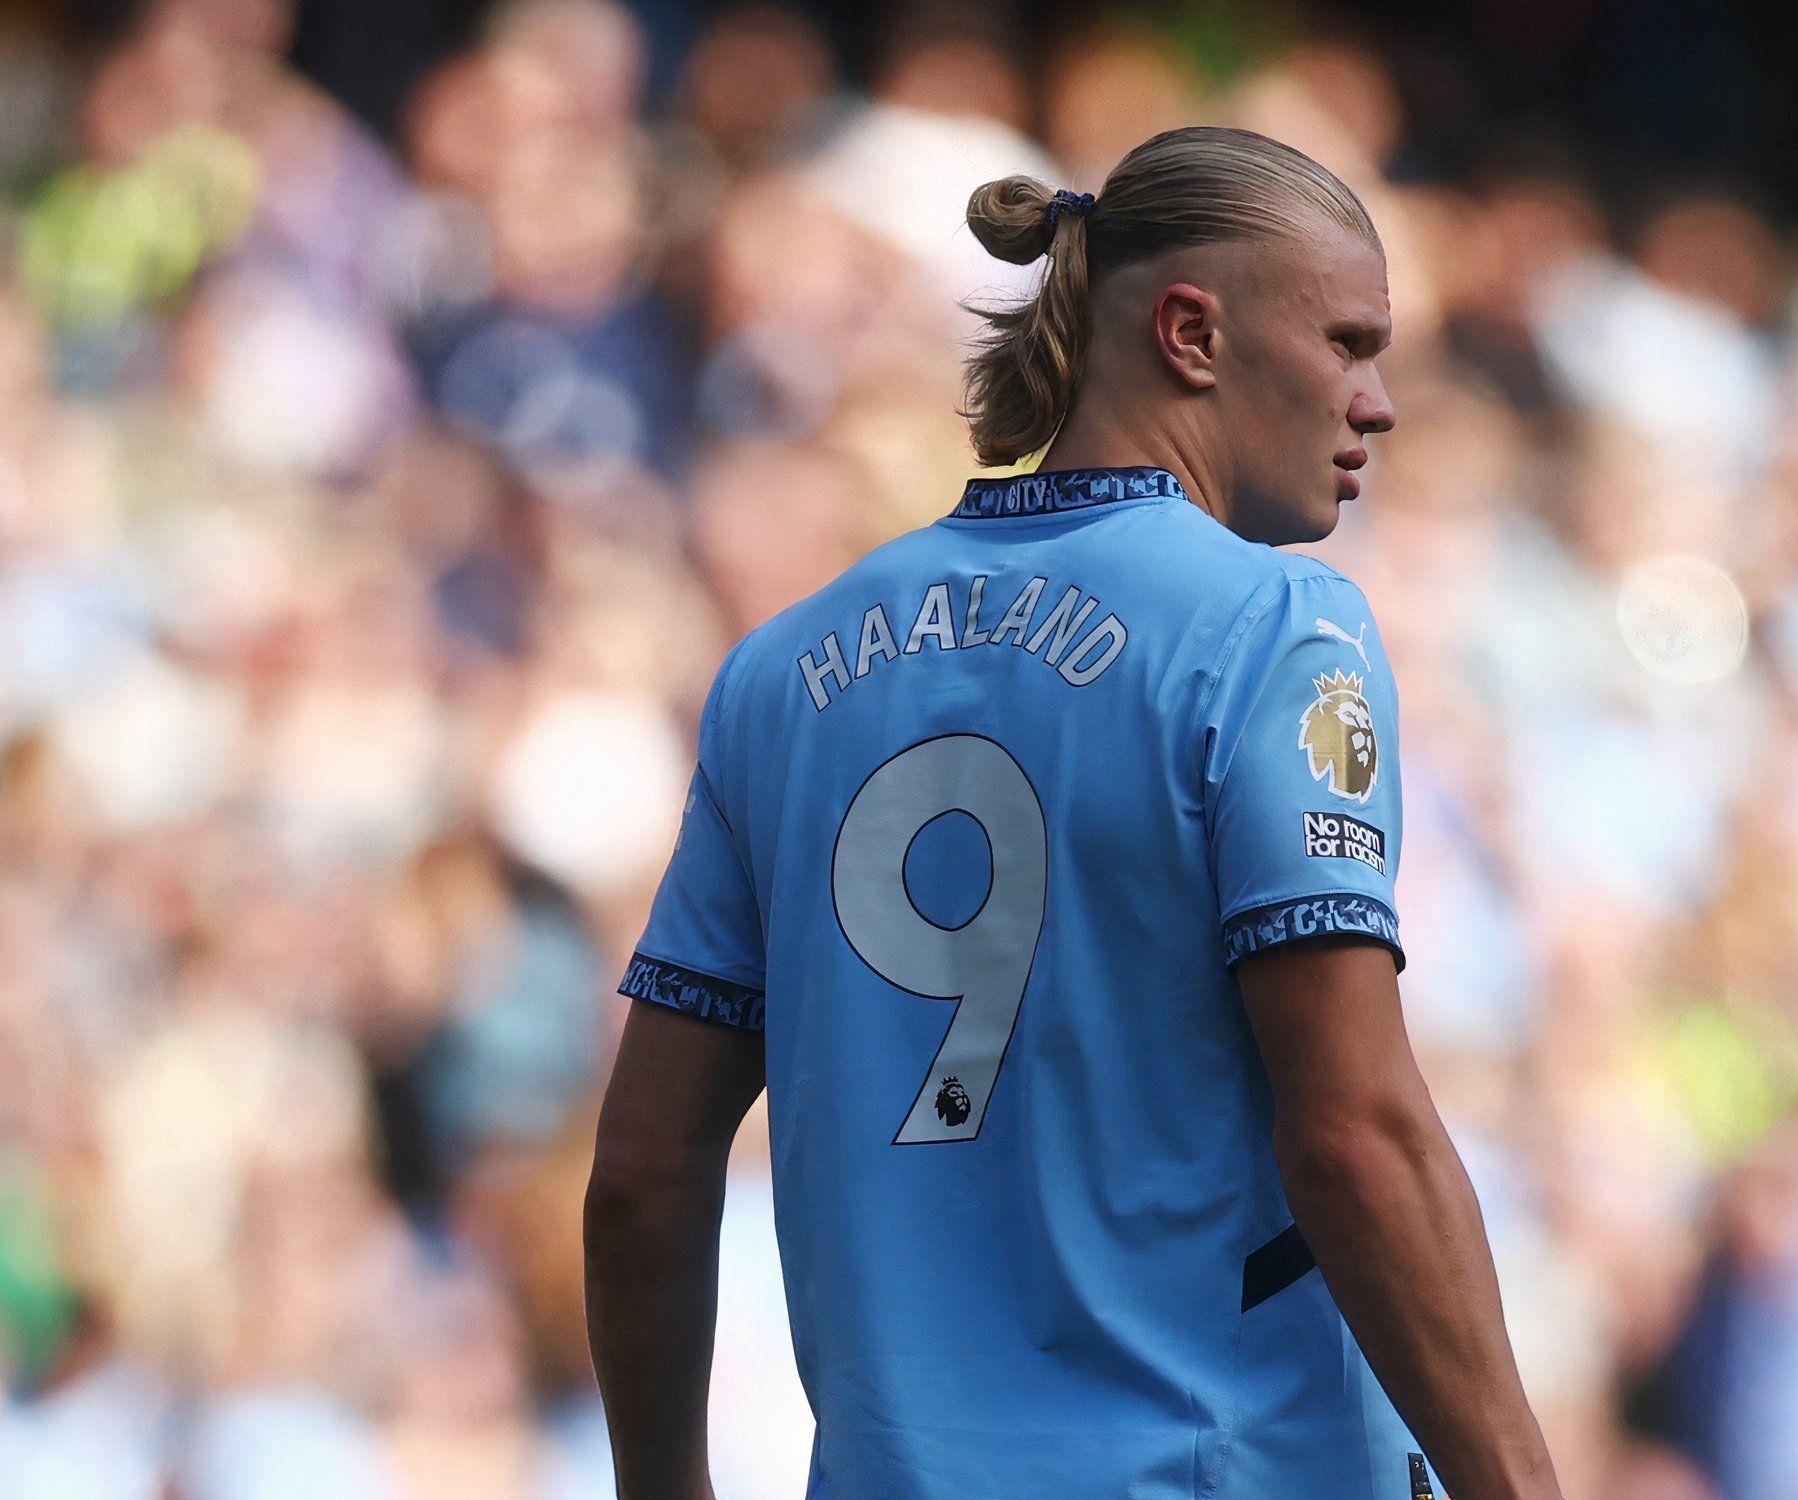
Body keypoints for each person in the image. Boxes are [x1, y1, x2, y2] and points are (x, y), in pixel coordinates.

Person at [581, 125, 1563, 1500]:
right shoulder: (1271, 628)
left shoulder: (781, 670)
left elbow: (642, 1170)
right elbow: (1353, 1133)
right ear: (1191, 334)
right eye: (1347, 343)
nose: (1378, 400)